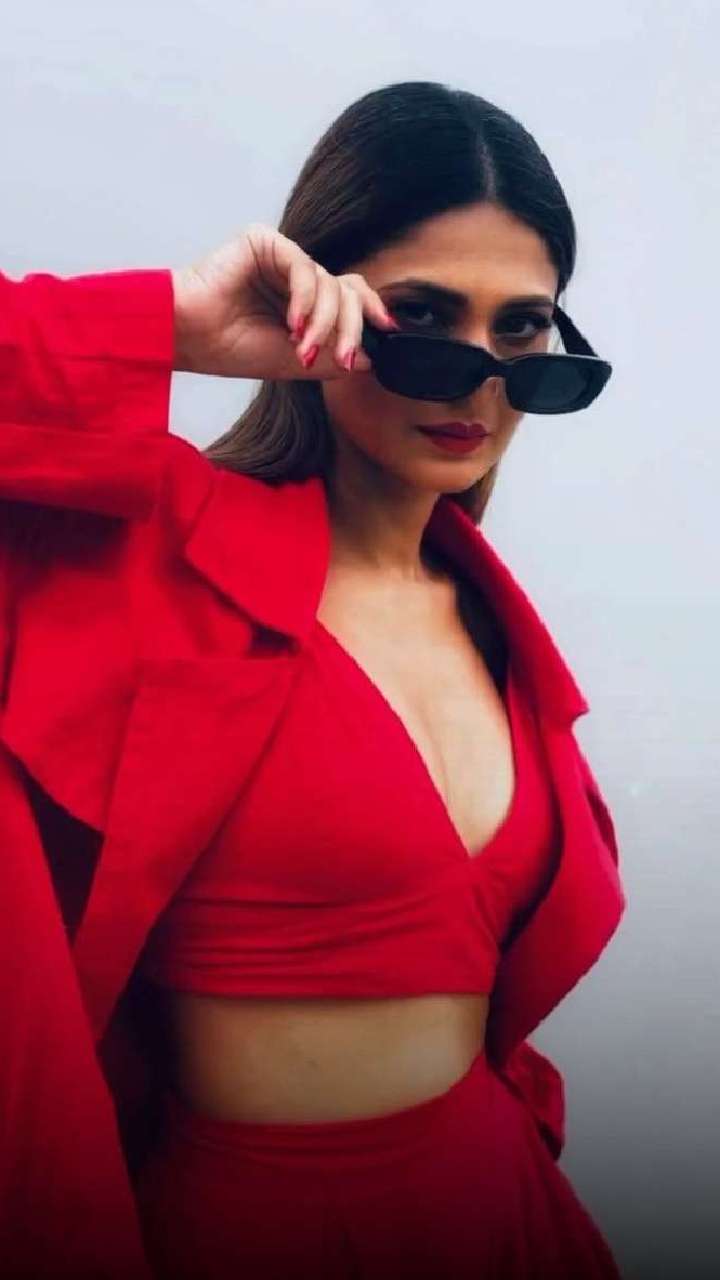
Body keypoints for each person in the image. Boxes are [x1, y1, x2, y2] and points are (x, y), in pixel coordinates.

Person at [0, 81, 626, 1279]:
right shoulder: (153, 556)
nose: (477, 383)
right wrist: (170, 324)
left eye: (522, 333)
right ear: (316, 299)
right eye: (423, 317)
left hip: (507, 1211)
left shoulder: (495, 627)